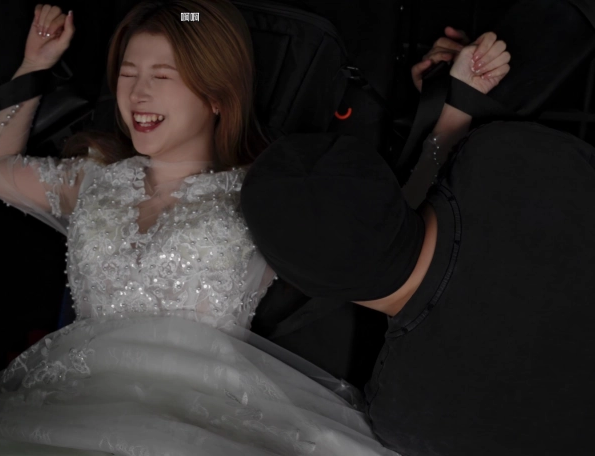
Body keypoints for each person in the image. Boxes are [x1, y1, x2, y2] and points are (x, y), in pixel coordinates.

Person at [0, 1, 398, 455]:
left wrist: (439, 126)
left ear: (216, 94)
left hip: (199, 411)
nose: (138, 94)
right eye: (127, 74)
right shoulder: (95, 178)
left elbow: (377, 253)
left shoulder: (261, 192)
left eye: (161, 77)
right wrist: (34, 63)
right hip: (73, 398)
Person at [241, 13, 595, 456]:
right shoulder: (506, 154)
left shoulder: (407, 413)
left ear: (309, 284)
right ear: (382, 173)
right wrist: (454, 108)